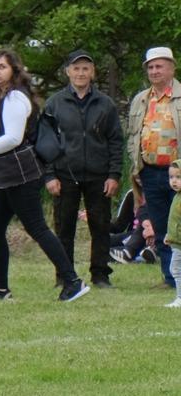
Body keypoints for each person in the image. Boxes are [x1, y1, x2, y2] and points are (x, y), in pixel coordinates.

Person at [0, 49, 87, 302]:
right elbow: (0, 135)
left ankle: (73, 281)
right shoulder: (4, 98)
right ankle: (0, 288)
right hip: (8, 176)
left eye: (3, 67)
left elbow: (14, 138)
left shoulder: (16, 97)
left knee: (36, 227)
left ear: (14, 70)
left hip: (21, 175)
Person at [35, 49, 124, 291]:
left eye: (86, 68)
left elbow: (116, 141)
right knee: (64, 228)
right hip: (65, 174)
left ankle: (100, 275)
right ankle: (65, 275)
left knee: (101, 227)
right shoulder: (54, 103)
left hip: (99, 175)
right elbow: (45, 142)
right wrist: (49, 175)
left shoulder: (105, 104)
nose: (81, 73)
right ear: (68, 72)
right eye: (76, 68)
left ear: (92, 72)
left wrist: (114, 174)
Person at [123, 44, 179, 293]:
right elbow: (132, 136)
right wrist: (137, 166)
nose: (155, 71)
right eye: (151, 67)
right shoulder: (141, 100)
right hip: (150, 171)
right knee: (160, 226)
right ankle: (170, 278)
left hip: (177, 172)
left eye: (160, 66)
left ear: (171, 68)